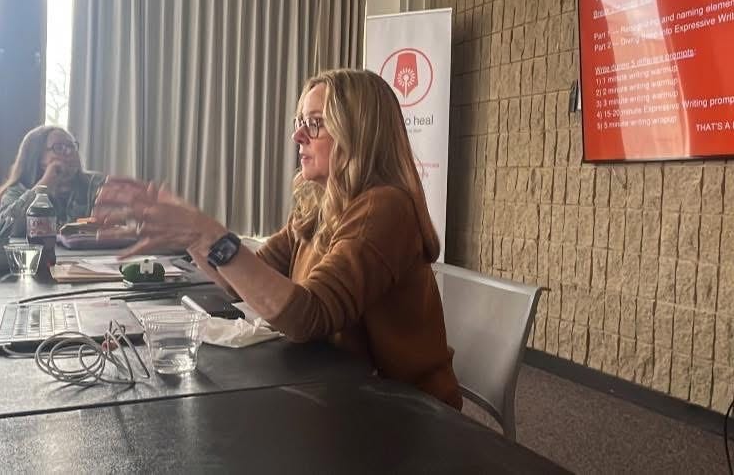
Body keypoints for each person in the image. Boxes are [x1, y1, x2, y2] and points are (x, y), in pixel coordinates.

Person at [95, 69, 462, 408]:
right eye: (299, 121)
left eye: (315, 124)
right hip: (344, 393)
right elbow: (238, 284)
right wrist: (192, 237)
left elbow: (307, 316)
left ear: (359, 135)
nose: (297, 136)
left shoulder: (384, 208)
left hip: (406, 412)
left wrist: (210, 233)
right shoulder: (318, 202)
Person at [0, 126, 105, 237]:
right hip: (36, 254)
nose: (70, 152)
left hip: (87, 255)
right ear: (38, 156)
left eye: (72, 146)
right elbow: (4, 229)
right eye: (59, 147)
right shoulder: (17, 190)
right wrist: (44, 185)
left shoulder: (96, 184)